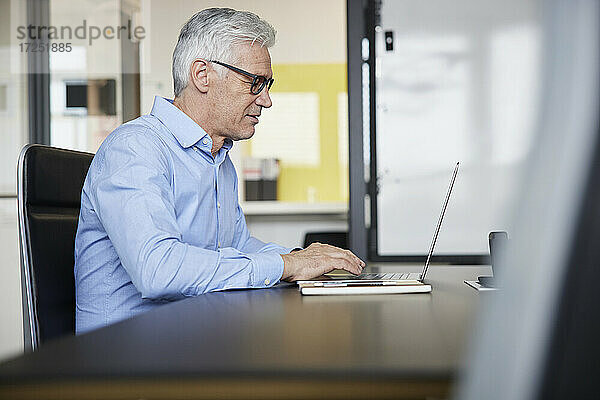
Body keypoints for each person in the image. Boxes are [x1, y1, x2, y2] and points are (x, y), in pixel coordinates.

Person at [74, 8, 364, 334]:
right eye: (255, 82)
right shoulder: (135, 148)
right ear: (202, 75)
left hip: (190, 338)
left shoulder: (218, 160)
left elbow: (238, 248)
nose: (266, 100)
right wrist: (286, 265)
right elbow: (158, 270)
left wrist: (307, 260)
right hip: (126, 358)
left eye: (267, 84)